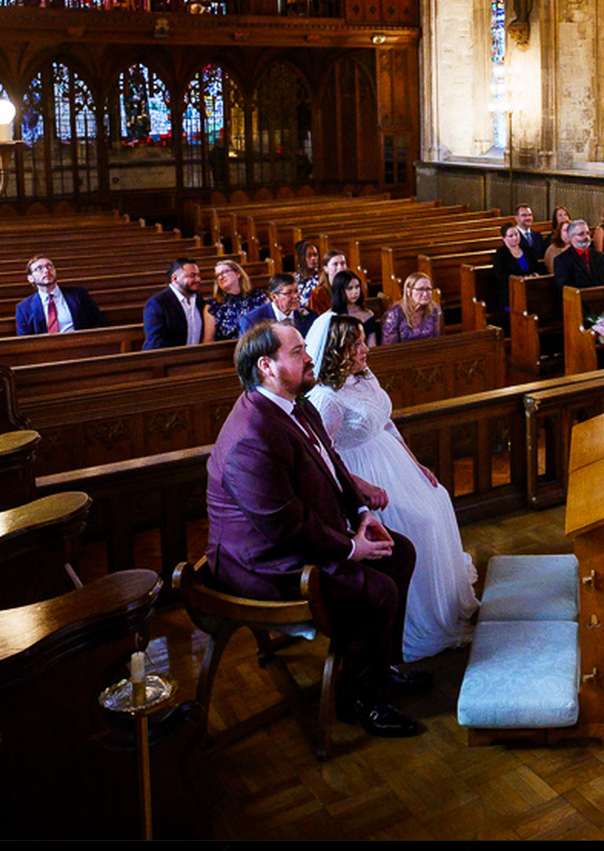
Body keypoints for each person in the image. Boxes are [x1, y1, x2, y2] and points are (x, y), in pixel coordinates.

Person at [204, 320, 424, 737]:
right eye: (298, 352)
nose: (309, 357)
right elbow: (282, 525)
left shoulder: (296, 402)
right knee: (377, 590)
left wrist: (361, 515)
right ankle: (360, 702)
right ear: (267, 366)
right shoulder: (252, 434)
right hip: (262, 566)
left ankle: (381, 668)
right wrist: (348, 549)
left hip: (298, 540)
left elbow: (334, 468)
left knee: (401, 553)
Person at [307, 313, 478, 662]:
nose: (364, 349)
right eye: (354, 344)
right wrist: (359, 487)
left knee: (439, 499)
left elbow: (387, 424)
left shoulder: (363, 377)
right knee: (420, 524)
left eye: (361, 341)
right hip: (361, 471)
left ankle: (446, 600)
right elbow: (324, 457)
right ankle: (414, 621)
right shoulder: (326, 398)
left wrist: (417, 465)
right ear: (337, 352)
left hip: (391, 459)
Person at [15, 255, 106, 335]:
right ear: (30, 278)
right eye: (39, 269)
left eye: (49, 266)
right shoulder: (24, 308)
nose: (46, 270)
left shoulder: (79, 295)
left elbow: (97, 321)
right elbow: (26, 340)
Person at [143, 258, 209, 349]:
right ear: (175, 278)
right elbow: (156, 343)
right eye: (192, 276)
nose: (198, 279)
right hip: (170, 360)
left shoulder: (198, 300)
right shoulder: (157, 303)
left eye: (198, 275)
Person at [241, 272, 316, 338]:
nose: (296, 296)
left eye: (296, 291)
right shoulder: (253, 321)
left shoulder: (310, 316)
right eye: (289, 293)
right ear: (274, 297)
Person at [207, 259, 263, 340]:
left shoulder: (258, 297)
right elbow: (208, 342)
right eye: (218, 275)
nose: (221, 277)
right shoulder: (213, 306)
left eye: (224, 272)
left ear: (238, 273)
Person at [553, 218, 604, 290]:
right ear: (571, 237)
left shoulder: (598, 256)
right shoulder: (562, 260)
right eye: (581, 234)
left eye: (587, 233)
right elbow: (566, 288)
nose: (586, 237)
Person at [382, 274, 442, 344]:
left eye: (428, 289)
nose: (425, 293)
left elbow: (437, 340)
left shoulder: (433, 309)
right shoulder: (394, 313)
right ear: (408, 291)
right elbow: (389, 346)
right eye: (420, 289)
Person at [327, 270, 380, 346]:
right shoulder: (330, 316)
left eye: (357, 287)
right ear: (340, 290)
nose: (355, 291)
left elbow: (372, 345)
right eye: (350, 288)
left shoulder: (367, 314)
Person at [301, 248, 352, 313]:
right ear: (326, 268)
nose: (340, 267)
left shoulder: (352, 287)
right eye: (335, 264)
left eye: (342, 263)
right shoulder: (318, 293)